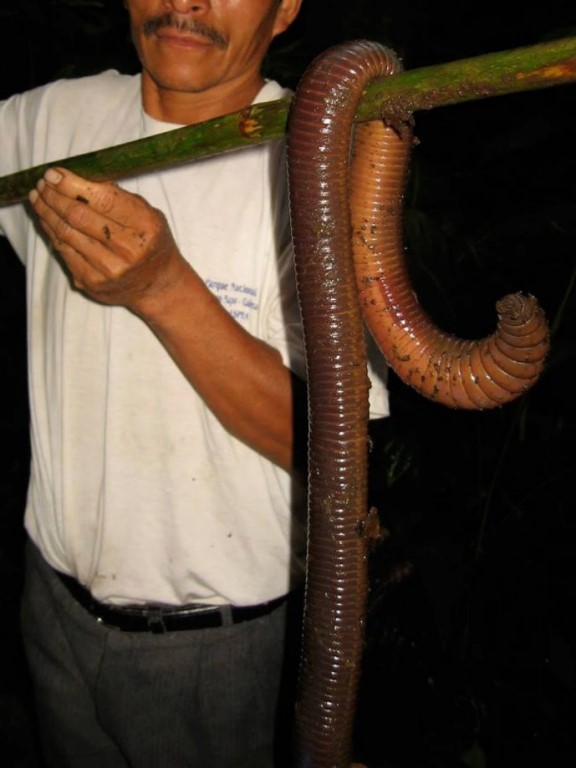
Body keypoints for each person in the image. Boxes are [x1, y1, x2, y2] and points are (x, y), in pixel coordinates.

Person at [0, 1, 389, 765]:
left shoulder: (313, 162)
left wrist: (164, 288)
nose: (186, 2)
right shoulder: (48, 119)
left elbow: (335, 450)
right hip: (49, 606)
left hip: (218, 651)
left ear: (285, 11)